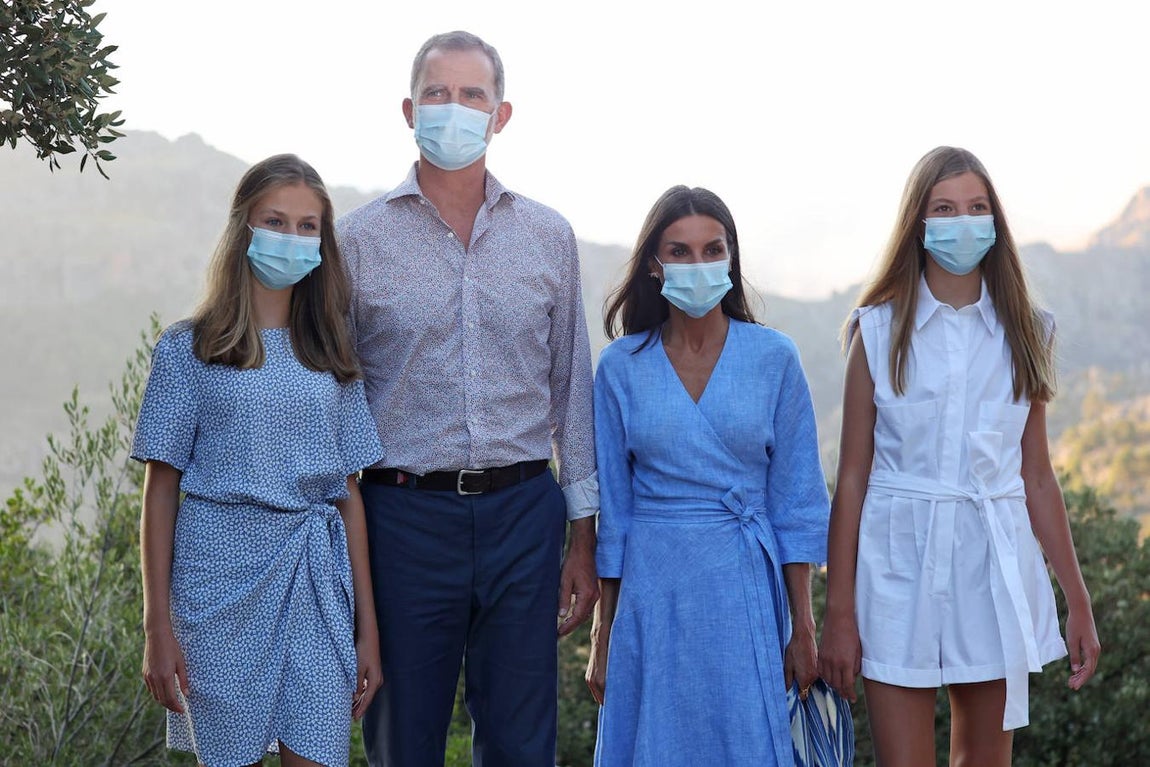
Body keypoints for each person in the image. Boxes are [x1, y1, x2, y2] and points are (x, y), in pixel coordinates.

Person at [335, 30, 599, 767]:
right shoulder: (357, 241)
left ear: (501, 114)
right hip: (402, 519)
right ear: (408, 109)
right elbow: (337, 393)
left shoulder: (549, 236)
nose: (454, 108)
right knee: (404, 742)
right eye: (438, 94)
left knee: (522, 746)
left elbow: (570, 385)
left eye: (471, 95)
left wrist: (582, 533)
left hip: (523, 515)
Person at [818, 146, 1101, 766]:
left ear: (995, 222)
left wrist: (1076, 600)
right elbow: (852, 480)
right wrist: (838, 612)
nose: (962, 221)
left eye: (976, 207)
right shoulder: (875, 332)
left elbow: (1037, 479)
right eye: (944, 209)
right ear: (917, 225)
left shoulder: (1029, 331)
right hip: (894, 572)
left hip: (991, 570)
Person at [134, 154, 384, 767]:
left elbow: (349, 494)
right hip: (217, 587)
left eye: (307, 226)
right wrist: (155, 626)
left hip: (317, 585)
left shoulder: (332, 352)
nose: (291, 237)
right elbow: (160, 491)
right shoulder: (188, 350)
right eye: (275, 220)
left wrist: (368, 629)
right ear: (242, 226)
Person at [585, 186, 831, 766]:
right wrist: (604, 635)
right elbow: (612, 515)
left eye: (711, 249)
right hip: (654, 590)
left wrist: (804, 626)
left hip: (743, 585)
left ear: (731, 258)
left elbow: (796, 503)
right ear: (654, 264)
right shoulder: (620, 367)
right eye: (680, 251)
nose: (698, 265)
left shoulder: (775, 357)